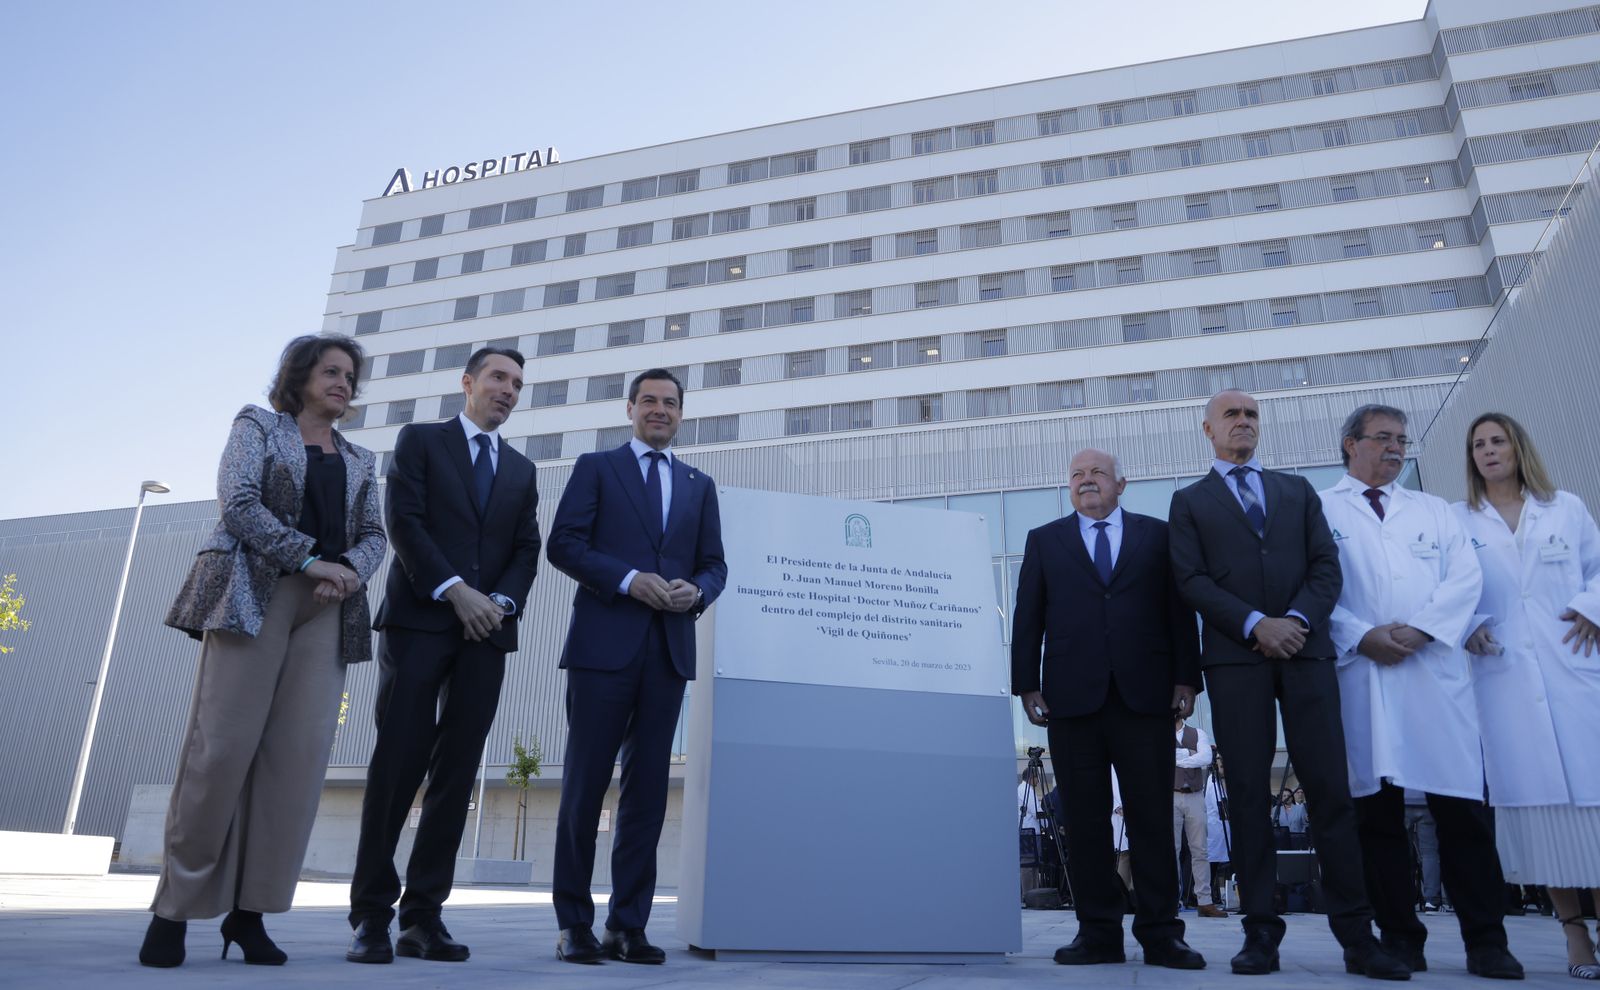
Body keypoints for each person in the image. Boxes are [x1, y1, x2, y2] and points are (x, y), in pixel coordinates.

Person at [149, 334, 386, 967]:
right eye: (331, 371)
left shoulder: (361, 458)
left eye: (350, 375)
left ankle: (249, 915)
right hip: (254, 596)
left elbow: (374, 534)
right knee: (220, 752)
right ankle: (173, 910)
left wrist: (349, 573)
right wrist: (312, 560)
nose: (342, 382)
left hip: (328, 609)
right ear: (301, 375)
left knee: (297, 765)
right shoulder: (259, 425)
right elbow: (240, 504)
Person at [1168, 389, 1406, 979]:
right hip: (1235, 660)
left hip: (1306, 655)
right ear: (1208, 430)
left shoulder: (1296, 491)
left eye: (1251, 414)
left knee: (1331, 793)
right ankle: (1259, 935)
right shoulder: (1189, 502)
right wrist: (1254, 623)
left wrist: (1295, 622)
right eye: (1232, 415)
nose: (1244, 422)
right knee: (1247, 797)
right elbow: (1189, 579)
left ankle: (1357, 936)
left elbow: (1327, 567)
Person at [347, 347, 542, 964]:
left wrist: (500, 603)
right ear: (468, 383)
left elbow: (526, 549)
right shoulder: (420, 441)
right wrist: (457, 593)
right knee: (399, 766)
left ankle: (422, 917)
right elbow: (403, 524)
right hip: (421, 623)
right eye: (497, 378)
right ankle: (372, 917)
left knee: (456, 777)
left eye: (516, 383)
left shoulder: (521, 469)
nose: (507, 390)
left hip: (488, 635)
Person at [1320, 403, 1522, 980]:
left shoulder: (1432, 510)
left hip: (1434, 675)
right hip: (1363, 677)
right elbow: (1315, 586)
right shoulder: (1321, 510)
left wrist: (1421, 629)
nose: (1395, 448)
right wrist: (1362, 635)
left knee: (1461, 814)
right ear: (1349, 444)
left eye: (1401, 439)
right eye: (1383, 438)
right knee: (1376, 821)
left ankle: (1487, 941)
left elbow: (1465, 577)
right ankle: (1401, 939)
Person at [547, 368, 726, 965]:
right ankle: (574, 924)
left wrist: (695, 592)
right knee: (583, 787)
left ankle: (628, 926)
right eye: (648, 400)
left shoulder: (700, 485)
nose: (659, 410)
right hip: (603, 649)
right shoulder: (596, 469)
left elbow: (715, 565)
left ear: (681, 413)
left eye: (670, 403)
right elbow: (564, 544)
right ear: (630, 408)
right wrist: (627, 580)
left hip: (667, 653)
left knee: (647, 794)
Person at [1013, 448, 1206, 970]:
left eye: (1097, 472)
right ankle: (1098, 933)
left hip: (1146, 699)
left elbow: (1178, 609)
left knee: (1150, 820)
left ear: (1122, 483)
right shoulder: (1044, 540)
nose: (1086, 480)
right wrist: (1026, 684)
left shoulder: (1158, 535)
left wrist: (1188, 677)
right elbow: (1028, 615)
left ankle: (1163, 933)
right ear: (1068, 487)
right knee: (1084, 821)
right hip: (1071, 704)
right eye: (1076, 474)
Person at [1454, 412, 1600, 980]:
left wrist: (1591, 608)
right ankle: (1574, 935)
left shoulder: (1565, 507)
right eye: (1479, 445)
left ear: (1518, 446)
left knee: (1593, 804)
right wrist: (1468, 623)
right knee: (1540, 816)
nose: (1489, 451)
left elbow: (1597, 570)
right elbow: (1448, 585)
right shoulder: (1458, 519)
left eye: (1498, 441)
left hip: (1576, 670)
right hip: (1505, 678)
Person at [1174, 714, 1226, 917]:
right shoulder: (1159, 733)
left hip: (1195, 796)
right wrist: (1189, 753)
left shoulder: (1198, 733)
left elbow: (1205, 758)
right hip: (1170, 795)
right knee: (1172, 850)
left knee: (1200, 850)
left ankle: (1204, 901)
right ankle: (1173, 899)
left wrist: (1179, 758)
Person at [1402, 790, 1444, 913]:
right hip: (1428, 799)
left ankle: (1402, 897)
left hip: (1402, 799)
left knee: (1401, 852)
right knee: (1429, 854)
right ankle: (1431, 900)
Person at [1207, 753, 1233, 909]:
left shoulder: (1224, 782)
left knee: (1223, 863)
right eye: (1219, 760)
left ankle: (1222, 893)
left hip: (1225, 829)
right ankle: (1210, 893)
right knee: (1213, 863)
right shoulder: (1212, 781)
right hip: (1215, 828)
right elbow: (1220, 806)